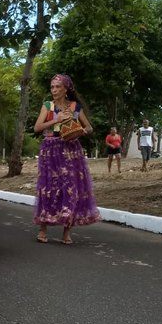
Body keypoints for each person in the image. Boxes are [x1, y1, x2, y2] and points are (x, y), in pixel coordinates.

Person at [32, 74, 100, 244]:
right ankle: (43, 228)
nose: (54, 90)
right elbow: (37, 127)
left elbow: (89, 126)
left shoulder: (75, 107)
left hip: (71, 150)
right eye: (52, 87)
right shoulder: (47, 106)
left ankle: (66, 231)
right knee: (48, 187)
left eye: (57, 87)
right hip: (51, 149)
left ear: (66, 89)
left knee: (70, 188)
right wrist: (56, 119)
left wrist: (82, 131)